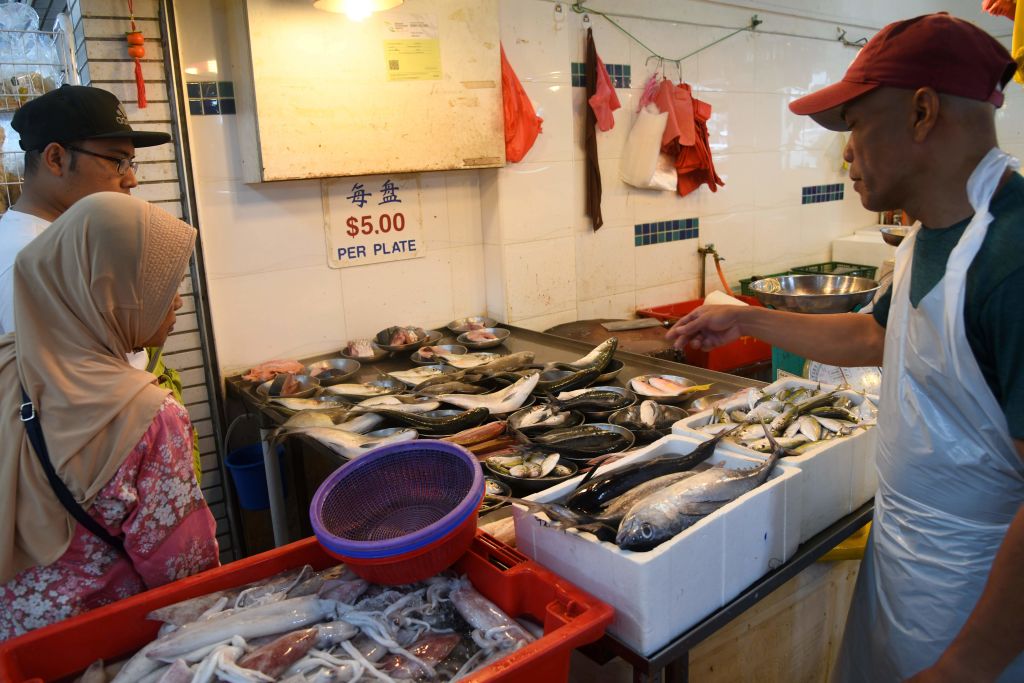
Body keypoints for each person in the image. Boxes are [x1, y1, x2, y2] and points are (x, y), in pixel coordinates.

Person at [666, 13, 1024, 682]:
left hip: (981, 603)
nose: (845, 154)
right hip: (906, 564)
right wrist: (748, 319)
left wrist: (967, 665)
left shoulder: (1011, 258)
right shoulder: (930, 233)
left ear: (922, 112)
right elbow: (877, 336)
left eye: (856, 125)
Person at [0, 192, 219, 641]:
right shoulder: (149, 417)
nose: (176, 301)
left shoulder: (7, 364)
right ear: (106, 292)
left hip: (21, 645)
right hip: (114, 650)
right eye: (158, 285)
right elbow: (187, 576)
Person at [0, 84, 203, 482]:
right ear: (56, 158)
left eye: (132, 162)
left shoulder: (62, 244)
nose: (130, 180)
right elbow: (68, 409)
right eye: (116, 161)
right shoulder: (25, 265)